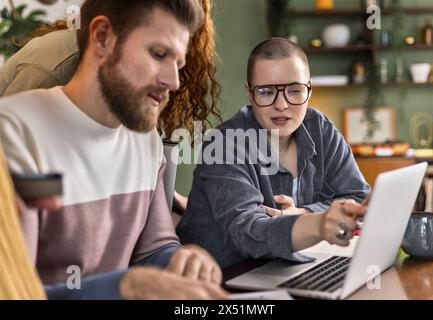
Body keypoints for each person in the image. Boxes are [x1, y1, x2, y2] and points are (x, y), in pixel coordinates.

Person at [0, 0, 227, 300]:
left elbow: (155, 248)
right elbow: (15, 293)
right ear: (103, 36)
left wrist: (181, 262)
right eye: (158, 54)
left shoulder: (146, 141)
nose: (173, 82)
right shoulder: (15, 135)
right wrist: (126, 286)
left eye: (178, 64)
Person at [0, 0, 222, 215]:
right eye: (158, 54)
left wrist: (157, 193)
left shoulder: (129, 113)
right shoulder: (52, 67)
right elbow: (9, 175)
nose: (173, 81)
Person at [177, 37, 370, 268]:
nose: (282, 105)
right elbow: (248, 232)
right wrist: (316, 224)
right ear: (250, 94)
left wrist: (303, 212)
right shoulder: (223, 144)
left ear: (309, 89)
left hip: (290, 270)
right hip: (223, 280)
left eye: (295, 91)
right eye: (267, 92)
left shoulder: (320, 128)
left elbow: (357, 198)